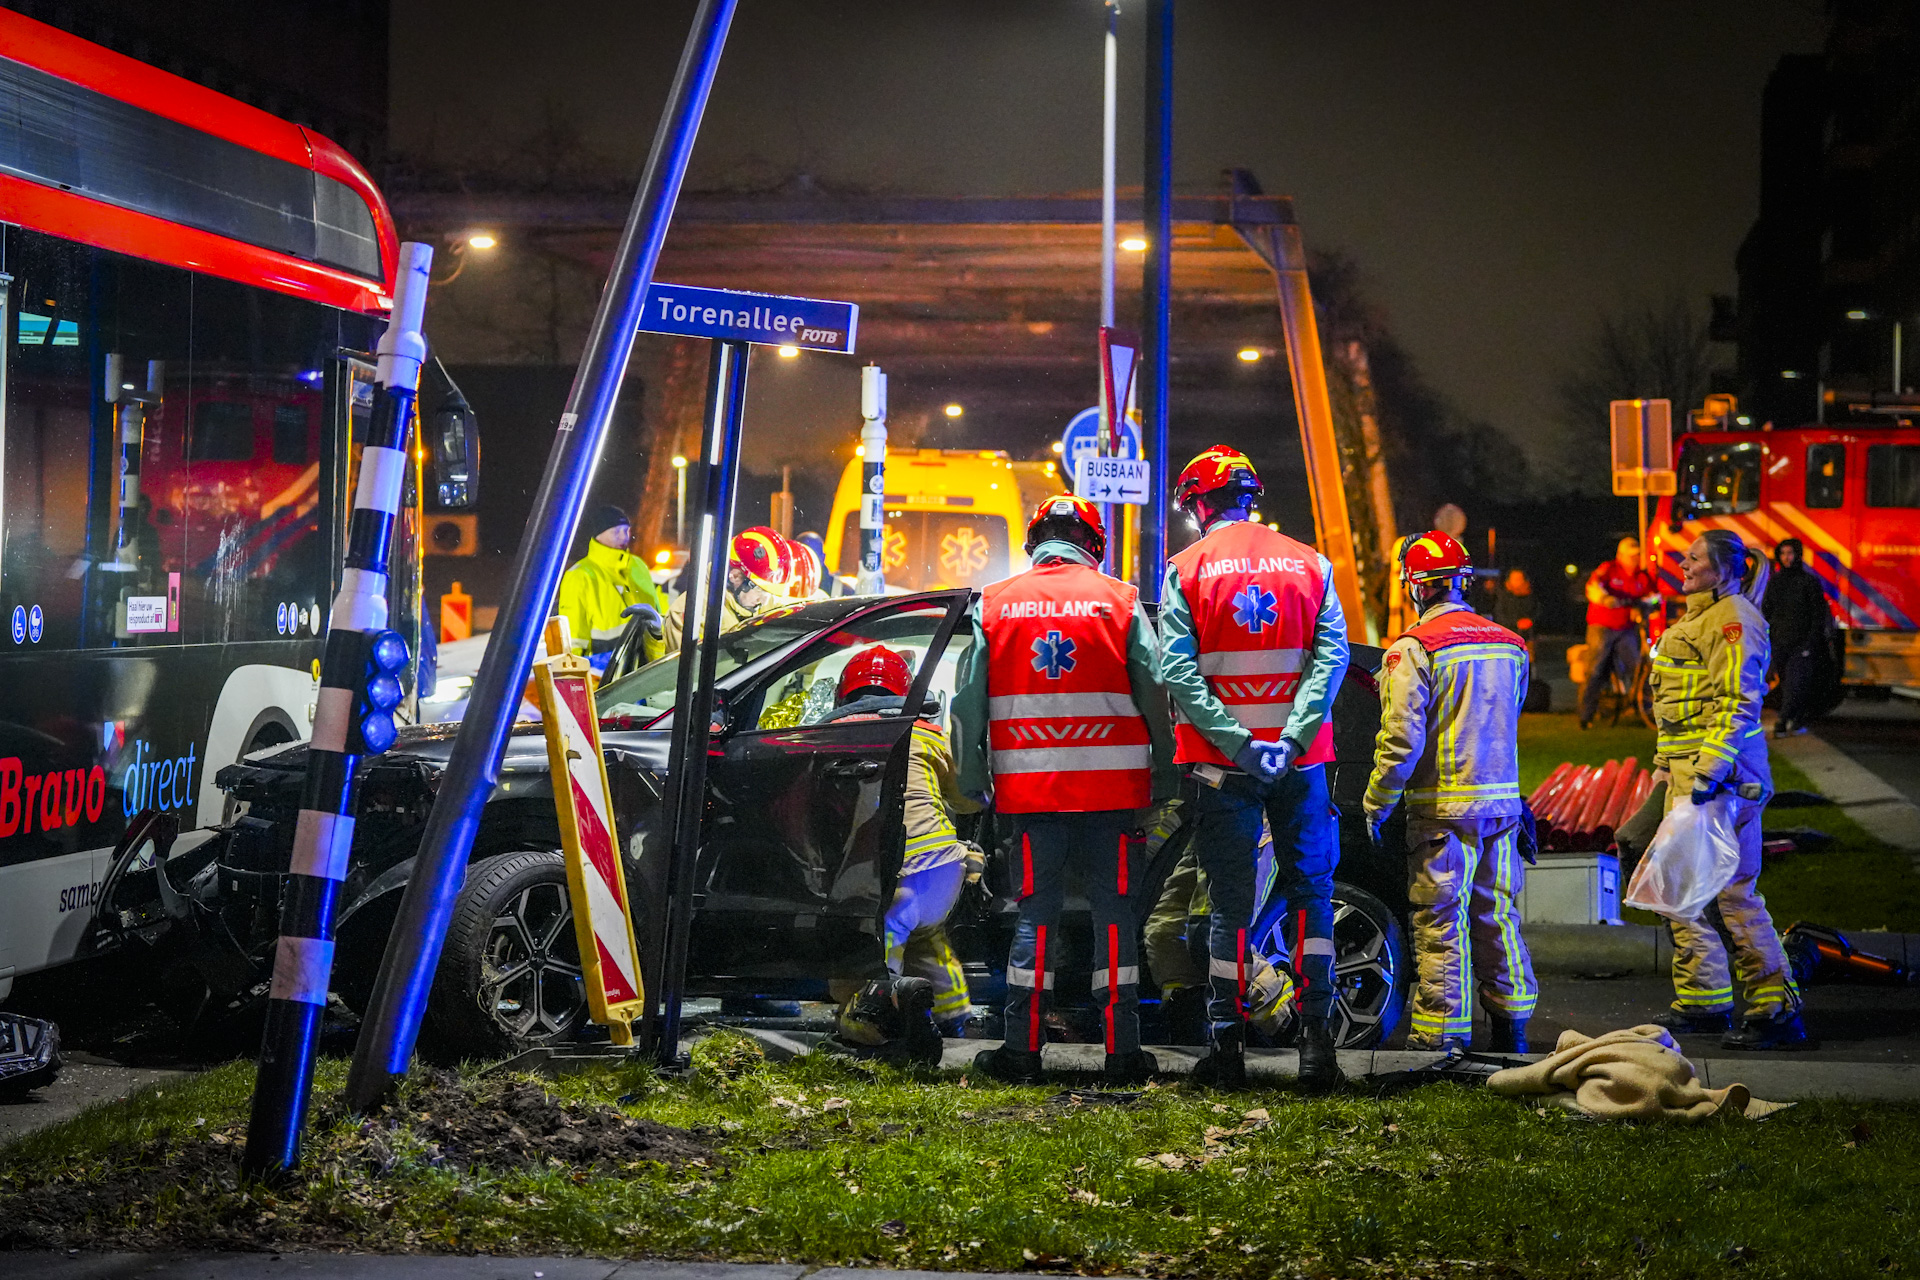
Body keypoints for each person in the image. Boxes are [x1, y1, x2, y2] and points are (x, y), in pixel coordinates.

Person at [954, 495, 1177, 1085]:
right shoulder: (1120, 600)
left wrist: (973, 778)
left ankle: (1021, 1049)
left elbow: (968, 701)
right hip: (1113, 793)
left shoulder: (995, 603)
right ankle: (1123, 1052)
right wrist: (1165, 770)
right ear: (1094, 544)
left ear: (1034, 543)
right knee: (1115, 916)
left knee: (1035, 916)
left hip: (1031, 794)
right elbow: (1156, 691)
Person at [1159, 445, 1349, 1091]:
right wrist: (1291, 740)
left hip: (1223, 769)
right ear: (1248, 498)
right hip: (1303, 765)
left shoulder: (1187, 569)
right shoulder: (1310, 563)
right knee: (1311, 897)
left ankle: (1227, 1049)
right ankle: (1317, 1048)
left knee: (1229, 908)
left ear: (1197, 504)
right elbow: (1331, 659)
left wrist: (1240, 744)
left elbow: (1177, 671)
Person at [1363, 532, 1538, 1052]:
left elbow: (1400, 740)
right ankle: (1512, 1029)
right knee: (1497, 916)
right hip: (1502, 806)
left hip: (1440, 810)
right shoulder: (1511, 644)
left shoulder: (1413, 650)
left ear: (1416, 588)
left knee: (1441, 924)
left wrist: (1377, 802)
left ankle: (1440, 1039)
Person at [1650, 528, 1808, 1049]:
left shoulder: (1733, 618)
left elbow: (1738, 701)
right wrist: (1665, 765)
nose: (1683, 564)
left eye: (1694, 558)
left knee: (1734, 893)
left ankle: (1775, 1011)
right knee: (1684, 891)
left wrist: (1709, 772)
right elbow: (1682, 703)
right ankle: (1704, 1002)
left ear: (1722, 569)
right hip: (1693, 775)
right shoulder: (1703, 616)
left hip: (1723, 780)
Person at [829, 644, 983, 1058]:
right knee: (928, 938)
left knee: (876, 946)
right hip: (943, 871)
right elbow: (967, 798)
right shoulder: (928, 733)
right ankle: (956, 1017)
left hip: (889, 872)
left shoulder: (834, 737)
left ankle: (881, 1015)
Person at [556, 504, 666, 671]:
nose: (624, 537)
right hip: (605, 672)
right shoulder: (580, 575)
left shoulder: (637, 565)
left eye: (626, 530)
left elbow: (657, 610)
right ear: (598, 535)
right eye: (616, 532)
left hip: (648, 665)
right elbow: (574, 635)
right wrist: (574, 672)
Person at [663, 525, 791, 651]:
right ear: (735, 576)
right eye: (760, 590)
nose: (763, 600)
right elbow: (693, 663)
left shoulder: (765, 604)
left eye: (769, 592)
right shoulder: (690, 611)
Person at [1579, 536, 1654, 728]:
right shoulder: (1608, 569)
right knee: (1595, 670)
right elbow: (1592, 587)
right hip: (1602, 626)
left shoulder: (1641, 576)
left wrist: (1642, 606)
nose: (1635, 559)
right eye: (1631, 556)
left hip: (1626, 629)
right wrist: (1605, 600)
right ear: (1620, 556)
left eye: (1637, 555)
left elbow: (1654, 596)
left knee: (1637, 668)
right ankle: (1586, 716)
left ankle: (1645, 711)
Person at [1762, 538, 1833, 736]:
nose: (1787, 558)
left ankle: (1783, 721)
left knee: (1795, 682)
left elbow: (1817, 615)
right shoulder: (1775, 582)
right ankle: (1798, 719)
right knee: (1787, 684)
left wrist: (1810, 643)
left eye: (1790, 553)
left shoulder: (1809, 582)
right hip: (1779, 642)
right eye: (1783, 553)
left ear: (1798, 555)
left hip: (1801, 644)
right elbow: (1767, 610)